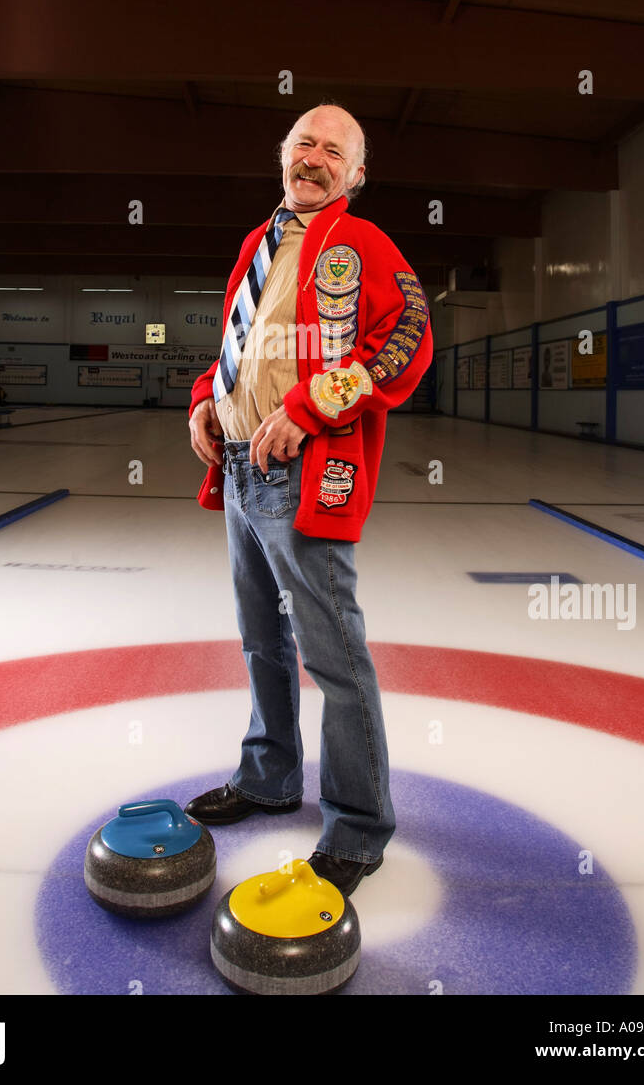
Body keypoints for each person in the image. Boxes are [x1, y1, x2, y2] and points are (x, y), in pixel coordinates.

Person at [186, 103, 433, 896]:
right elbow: (239, 341)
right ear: (282, 154)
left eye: (335, 150)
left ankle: (358, 827)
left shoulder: (364, 243)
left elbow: (407, 341)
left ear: (356, 175)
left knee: (334, 655)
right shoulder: (257, 245)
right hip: (238, 467)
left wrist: (311, 407)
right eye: (304, 143)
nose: (315, 157)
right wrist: (204, 399)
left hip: (302, 473)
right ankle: (269, 778)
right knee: (262, 638)